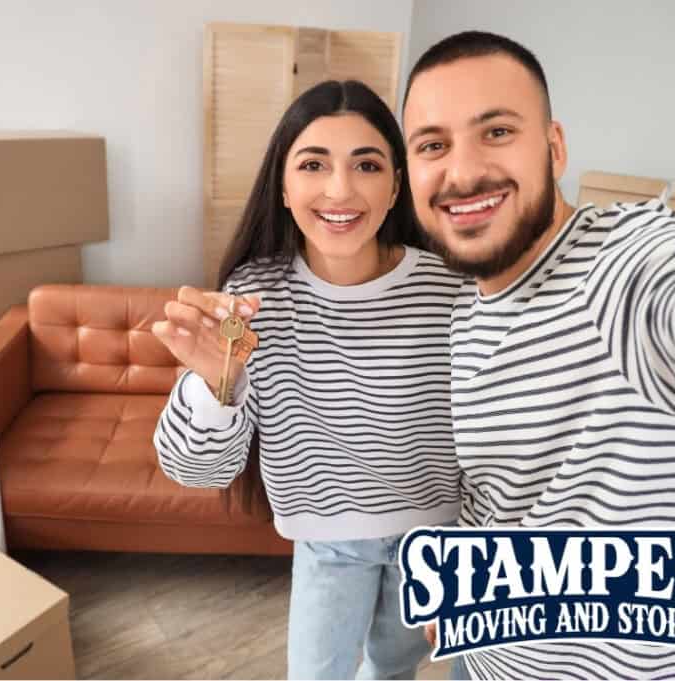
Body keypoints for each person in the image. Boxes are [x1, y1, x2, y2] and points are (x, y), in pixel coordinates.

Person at [402, 31, 675, 679]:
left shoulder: (621, 265)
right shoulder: (464, 313)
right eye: (433, 145)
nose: (461, 172)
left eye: (497, 132)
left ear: (555, 147)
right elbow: (498, 492)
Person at [152, 79, 466, 680]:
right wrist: (217, 385)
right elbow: (199, 471)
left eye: (366, 165)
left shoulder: (448, 287)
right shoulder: (254, 295)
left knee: (393, 669)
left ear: (395, 185)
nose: (340, 190)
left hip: (435, 538)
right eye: (313, 164)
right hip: (327, 540)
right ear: (284, 187)